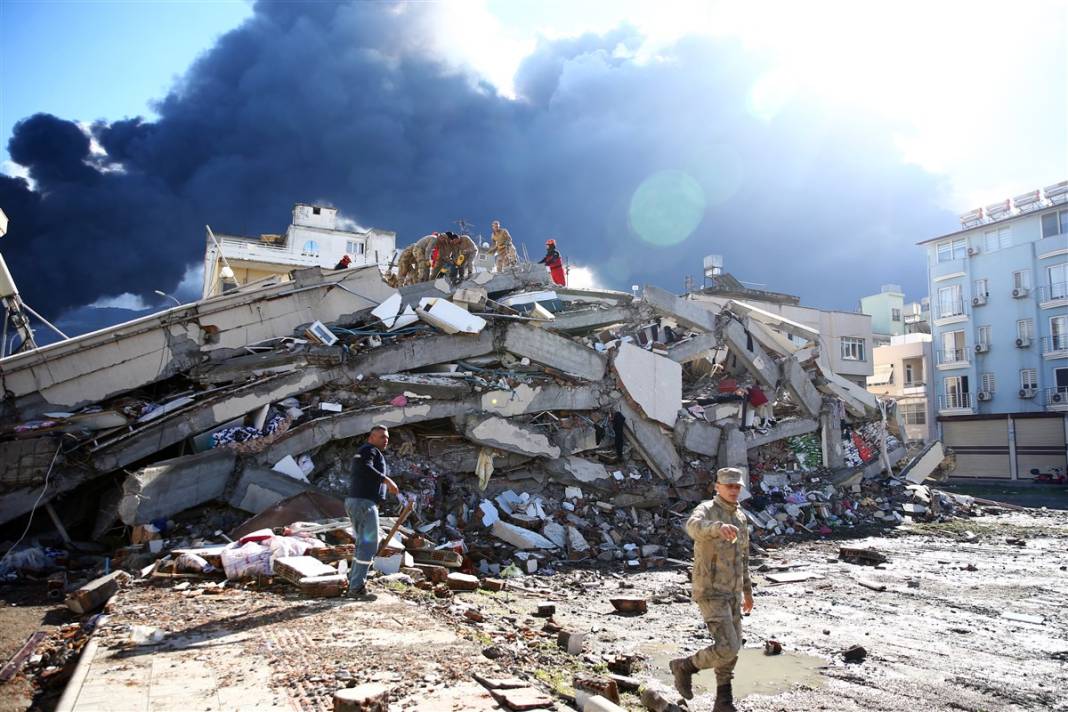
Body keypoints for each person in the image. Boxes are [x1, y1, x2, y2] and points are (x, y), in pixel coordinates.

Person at [671, 467, 753, 711]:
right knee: (727, 647)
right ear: (717, 487)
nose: (734, 490)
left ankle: (723, 700)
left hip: (732, 591)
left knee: (732, 647)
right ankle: (684, 666)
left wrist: (747, 591)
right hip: (710, 589)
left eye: (737, 486)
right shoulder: (706, 509)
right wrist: (717, 528)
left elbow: (744, 557)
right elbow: (692, 526)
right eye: (729, 486)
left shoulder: (740, 518)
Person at [347, 425, 399, 597]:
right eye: (382, 437)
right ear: (371, 438)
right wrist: (387, 480)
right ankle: (357, 587)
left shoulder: (365, 451)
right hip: (363, 503)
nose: (386, 440)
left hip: (357, 501)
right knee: (369, 544)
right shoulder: (369, 450)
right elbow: (366, 467)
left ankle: (353, 581)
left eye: (387, 437)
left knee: (362, 544)